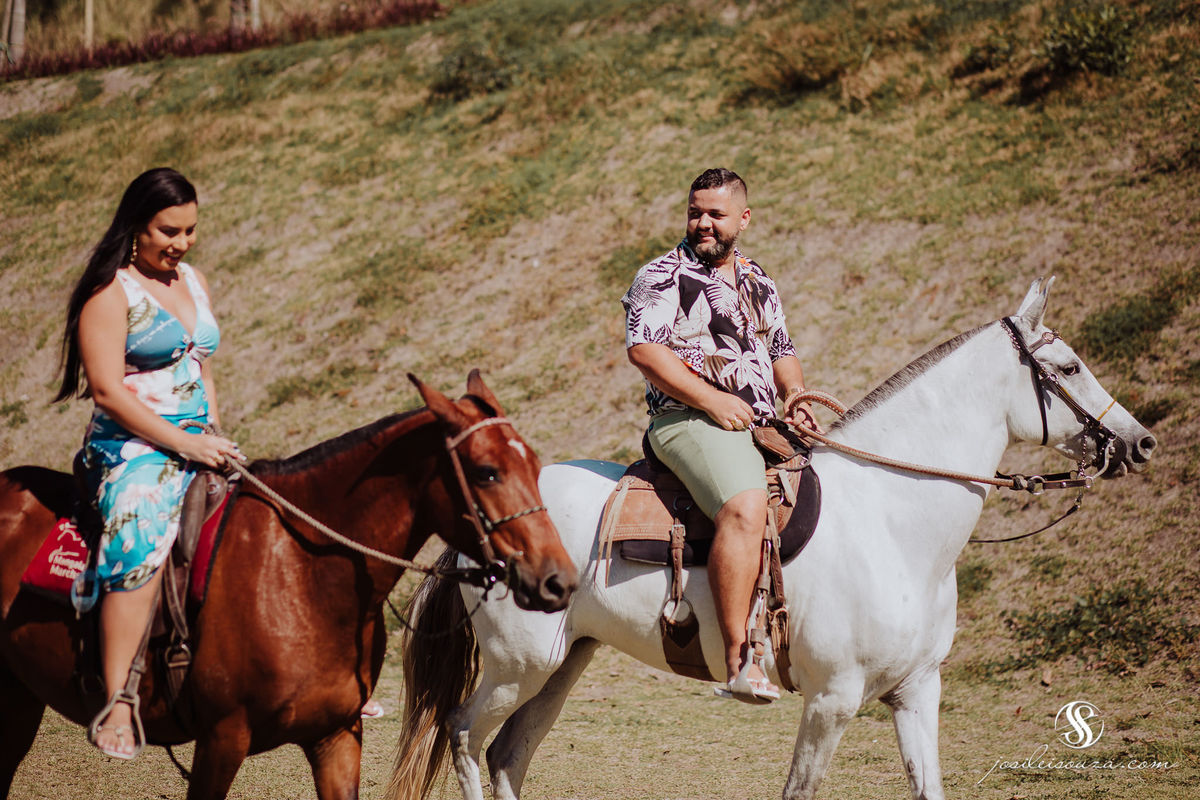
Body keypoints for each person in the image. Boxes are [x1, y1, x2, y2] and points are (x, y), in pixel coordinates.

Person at [55, 167, 244, 759]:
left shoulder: (193, 279)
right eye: (169, 230)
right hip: (129, 448)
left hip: (199, 436)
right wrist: (184, 446)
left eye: (190, 231)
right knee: (140, 525)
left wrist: (212, 434)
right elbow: (109, 392)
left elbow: (203, 369)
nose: (181, 243)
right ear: (136, 224)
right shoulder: (109, 293)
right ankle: (119, 698)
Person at [621, 168, 819, 704]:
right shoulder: (661, 275)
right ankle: (739, 659)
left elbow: (780, 348)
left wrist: (796, 396)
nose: (703, 223)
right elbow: (645, 350)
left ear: (744, 219)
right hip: (686, 420)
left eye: (715, 214)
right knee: (746, 504)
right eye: (695, 212)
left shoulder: (758, 280)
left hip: (756, 421)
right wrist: (710, 399)